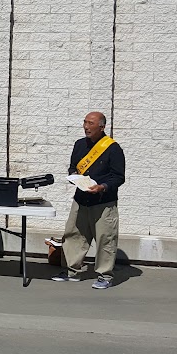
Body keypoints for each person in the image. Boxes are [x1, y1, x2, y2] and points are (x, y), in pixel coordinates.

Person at [52, 111, 126, 289]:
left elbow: (118, 177)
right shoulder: (79, 145)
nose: (86, 126)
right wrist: (74, 176)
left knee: (105, 239)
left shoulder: (113, 148)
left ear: (102, 126)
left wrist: (102, 186)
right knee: (74, 235)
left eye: (90, 123)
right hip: (81, 199)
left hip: (103, 202)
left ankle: (105, 275)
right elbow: (72, 167)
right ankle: (72, 271)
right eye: (85, 122)